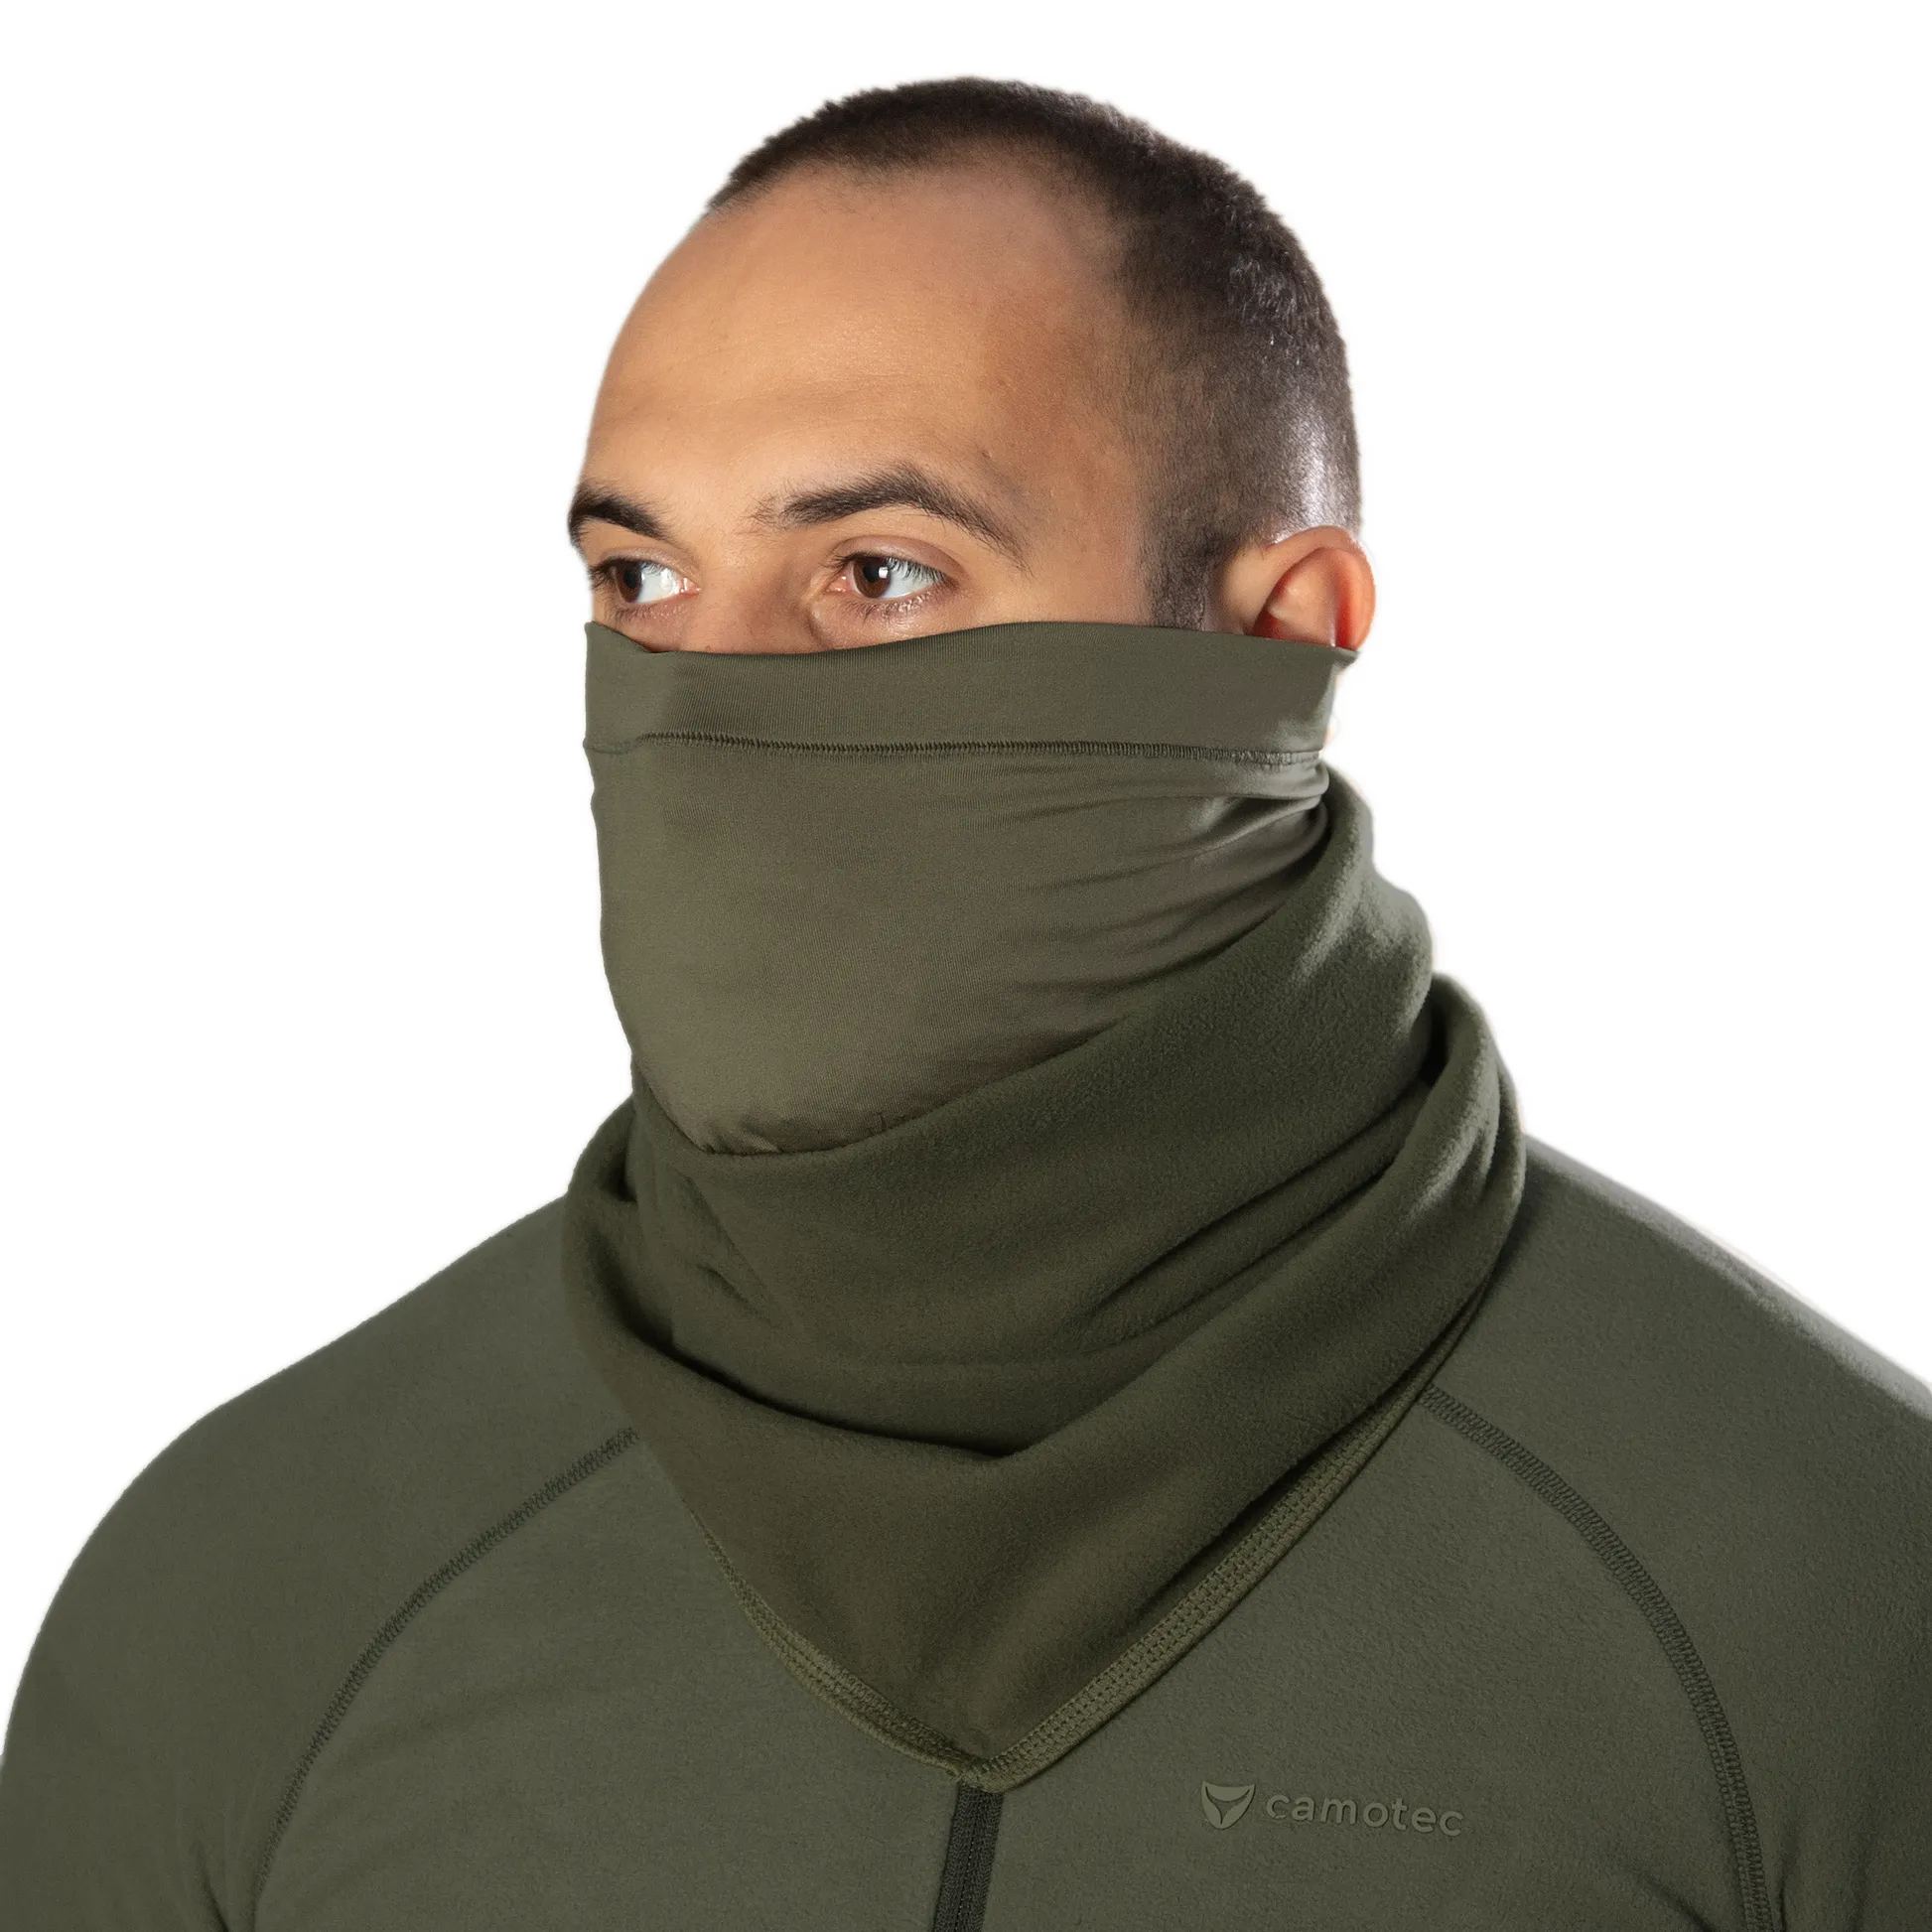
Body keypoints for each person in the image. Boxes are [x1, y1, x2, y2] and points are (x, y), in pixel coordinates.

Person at [3, 76, 1927, 1932]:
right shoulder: (252, 1603)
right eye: (641, 575)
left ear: (1278, 635)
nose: (705, 687)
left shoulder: (1829, 1603)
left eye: (877, 570)